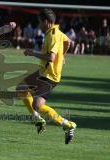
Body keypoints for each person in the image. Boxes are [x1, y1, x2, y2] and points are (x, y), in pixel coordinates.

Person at [16, 8, 76, 144]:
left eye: (39, 23)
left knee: (37, 105)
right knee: (21, 88)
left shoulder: (53, 35)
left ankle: (68, 124)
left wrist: (33, 53)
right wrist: (64, 56)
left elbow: (50, 57)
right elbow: (68, 42)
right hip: (44, 70)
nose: (39, 25)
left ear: (47, 22)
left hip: (50, 75)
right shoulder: (56, 32)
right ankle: (38, 119)